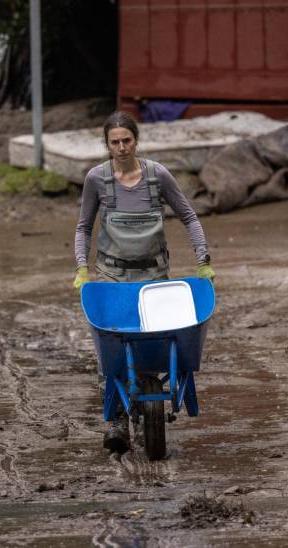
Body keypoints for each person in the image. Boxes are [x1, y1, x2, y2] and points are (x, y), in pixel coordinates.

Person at [73, 111, 215, 454]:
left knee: (151, 339)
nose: (121, 147)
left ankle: (147, 394)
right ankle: (117, 419)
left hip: (153, 276)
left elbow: (188, 216)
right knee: (115, 345)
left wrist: (203, 259)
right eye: (114, 142)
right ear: (106, 145)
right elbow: (84, 228)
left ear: (136, 141)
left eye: (127, 140)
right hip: (112, 275)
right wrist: (82, 267)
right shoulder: (97, 179)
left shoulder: (157, 176)